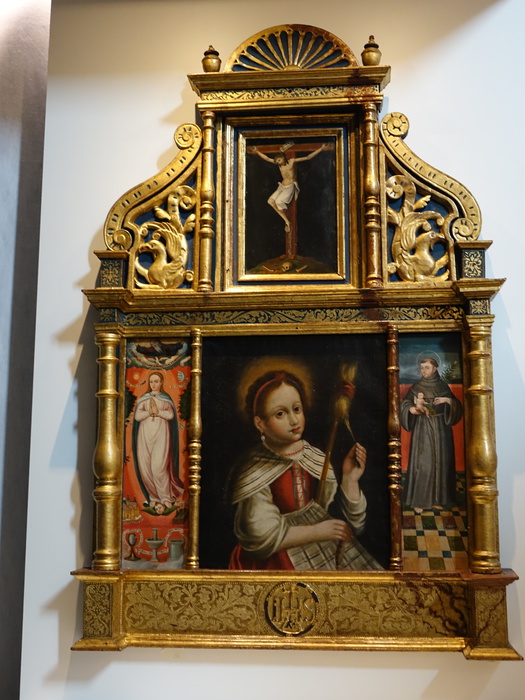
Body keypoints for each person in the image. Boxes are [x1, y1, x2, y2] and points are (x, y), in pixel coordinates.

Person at [228, 369, 381, 570]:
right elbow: (260, 536)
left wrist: (349, 479)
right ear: (260, 423)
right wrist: (318, 531)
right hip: (275, 559)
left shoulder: (315, 458)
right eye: (280, 414)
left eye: (297, 409)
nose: (293, 420)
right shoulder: (253, 470)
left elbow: (351, 526)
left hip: (322, 548)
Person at [401, 357, 462, 514]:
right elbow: (405, 404)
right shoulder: (416, 387)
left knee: (440, 463)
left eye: (427, 367)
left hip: (441, 430)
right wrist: (411, 409)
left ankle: (437, 500)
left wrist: (447, 400)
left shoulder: (443, 386)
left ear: (435, 369)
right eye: (422, 368)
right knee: (423, 464)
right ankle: (419, 501)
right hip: (422, 428)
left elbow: (457, 406)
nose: (423, 371)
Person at [132, 371, 183, 514]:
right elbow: (137, 416)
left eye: (156, 381)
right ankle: (154, 497)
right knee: (146, 467)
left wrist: (158, 412)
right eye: (151, 381)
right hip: (144, 436)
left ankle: (165, 497)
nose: (153, 384)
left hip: (162, 434)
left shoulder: (165, 399)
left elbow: (170, 415)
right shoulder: (144, 399)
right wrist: (150, 412)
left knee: (158, 466)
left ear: (161, 383)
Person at [248, 144, 329, 233]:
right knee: (270, 201)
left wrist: (321, 148)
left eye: (279, 160)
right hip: (282, 186)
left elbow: (307, 157)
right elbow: (267, 158)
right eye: (277, 161)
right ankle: (286, 221)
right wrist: (257, 151)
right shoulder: (279, 165)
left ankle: (287, 222)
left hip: (290, 186)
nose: (278, 162)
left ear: (283, 158)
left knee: (279, 202)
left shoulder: (291, 161)